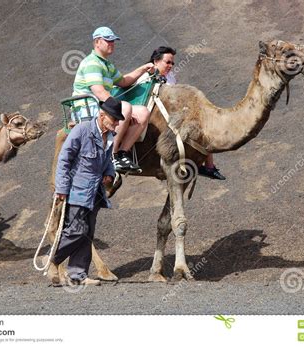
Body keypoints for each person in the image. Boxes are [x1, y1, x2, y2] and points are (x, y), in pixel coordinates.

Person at [50, 97, 123, 286]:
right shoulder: (82, 131)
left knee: (87, 233)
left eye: (117, 120)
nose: (116, 123)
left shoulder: (110, 137)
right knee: (76, 230)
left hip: (95, 193)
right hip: (77, 191)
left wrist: (109, 172)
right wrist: (62, 188)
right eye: (114, 119)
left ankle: (77, 275)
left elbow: (108, 160)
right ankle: (52, 260)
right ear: (102, 115)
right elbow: (64, 160)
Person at [72, 26, 154, 173]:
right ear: (97, 42)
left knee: (142, 112)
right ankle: (111, 156)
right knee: (126, 107)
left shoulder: (107, 65)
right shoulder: (92, 62)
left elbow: (123, 81)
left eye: (113, 41)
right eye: (108, 40)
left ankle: (122, 154)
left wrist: (143, 69)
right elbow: (99, 91)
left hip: (101, 107)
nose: (112, 43)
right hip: (86, 108)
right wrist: (124, 112)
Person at [148, 47, 226, 180]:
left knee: (202, 127)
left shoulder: (170, 76)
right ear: (156, 61)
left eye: (172, 63)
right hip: (156, 115)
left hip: (172, 112)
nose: (171, 66)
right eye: (167, 62)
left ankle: (208, 166)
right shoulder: (148, 75)